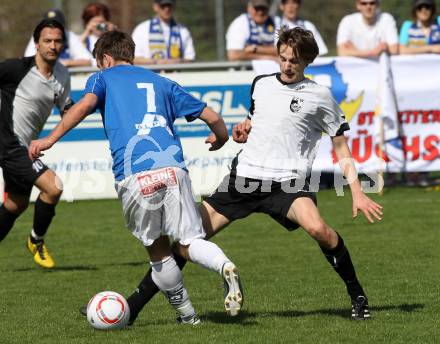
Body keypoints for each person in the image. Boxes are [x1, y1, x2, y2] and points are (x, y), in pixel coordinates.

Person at [88, 27, 383, 325]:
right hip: (244, 179)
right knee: (187, 243)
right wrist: (244, 128)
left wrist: (356, 191)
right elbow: (257, 119)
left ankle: (356, 295)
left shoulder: (320, 96)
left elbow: (341, 145)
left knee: (319, 230)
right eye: (282, 58)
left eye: (294, 60)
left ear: (306, 60)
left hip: (288, 184)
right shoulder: (261, 84)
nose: (287, 65)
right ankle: (134, 306)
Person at [29, 30, 243, 325]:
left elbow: (84, 106)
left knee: (158, 252)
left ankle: (190, 317)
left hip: (135, 175)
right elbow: (214, 118)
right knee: (190, 240)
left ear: (105, 58)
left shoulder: (102, 78)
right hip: (173, 170)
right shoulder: (162, 82)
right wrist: (219, 139)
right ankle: (224, 265)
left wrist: (49, 139)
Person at [0, 19, 73, 269]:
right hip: (9, 144)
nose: (52, 45)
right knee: (54, 187)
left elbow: (67, 111)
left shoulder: (62, 74)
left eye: (57, 41)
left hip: (22, 147)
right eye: (47, 41)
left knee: (15, 204)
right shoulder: (15, 69)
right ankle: (36, 241)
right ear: (36, 44)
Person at [132, 0, 195, 65]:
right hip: (149, 74)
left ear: (174, 6)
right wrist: (157, 62)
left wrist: (176, 62)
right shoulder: (141, 29)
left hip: (176, 74)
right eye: (163, 5)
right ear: (155, 7)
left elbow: (190, 59)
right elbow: (134, 59)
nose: (166, 9)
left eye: (169, 5)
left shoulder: (183, 31)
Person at [24, 9, 93, 67]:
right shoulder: (38, 35)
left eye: (57, 25)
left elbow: (88, 61)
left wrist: (66, 63)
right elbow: (27, 61)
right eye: (47, 40)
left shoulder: (70, 36)